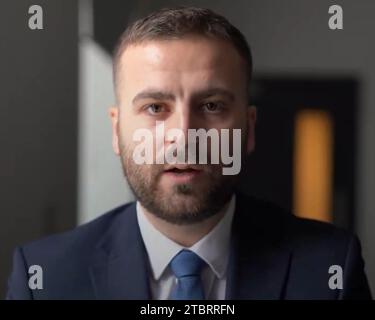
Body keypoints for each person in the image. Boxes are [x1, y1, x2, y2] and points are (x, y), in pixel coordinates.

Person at [6, 6, 371, 300]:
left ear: (250, 129)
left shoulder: (329, 270)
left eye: (211, 106)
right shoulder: (45, 277)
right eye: (154, 108)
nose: (183, 136)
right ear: (117, 130)